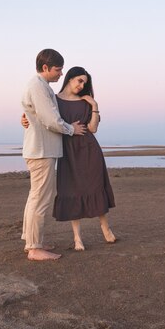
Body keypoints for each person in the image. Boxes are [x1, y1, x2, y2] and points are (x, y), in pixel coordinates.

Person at [22, 66, 116, 251]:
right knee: (72, 191)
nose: (82, 85)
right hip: (66, 152)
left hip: (89, 150)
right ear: (70, 78)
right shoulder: (53, 99)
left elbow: (93, 128)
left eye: (85, 83)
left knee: (96, 186)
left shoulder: (86, 102)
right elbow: (41, 115)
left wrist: (95, 106)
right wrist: (25, 119)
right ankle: (77, 238)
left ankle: (106, 228)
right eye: (79, 80)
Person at [21, 48, 86, 262]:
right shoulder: (38, 87)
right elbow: (50, 119)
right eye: (58, 70)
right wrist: (71, 129)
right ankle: (34, 247)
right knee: (40, 199)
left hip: (42, 149)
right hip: (41, 151)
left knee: (36, 197)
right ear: (46, 68)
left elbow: (36, 115)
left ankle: (32, 240)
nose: (61, 74)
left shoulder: (41, 87)